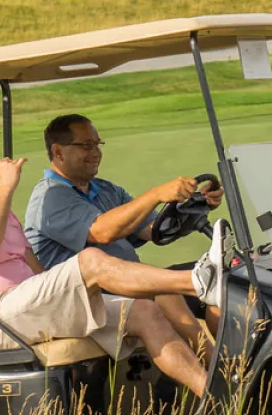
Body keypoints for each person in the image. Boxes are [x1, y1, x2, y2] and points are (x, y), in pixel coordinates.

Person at [0, 117, 223, 397]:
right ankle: (197, 281)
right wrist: (7, 187)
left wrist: (194, 207)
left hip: (26, 309)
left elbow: (32, 266)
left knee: (146, 310)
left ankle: (218, 395)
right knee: (91, 259)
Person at [25, 114, 223, 351]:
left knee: (222, 294)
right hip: (82, 298)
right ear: (58, 152)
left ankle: (238, 368)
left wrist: (196, 206)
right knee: (165, 292)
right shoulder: (50, 197)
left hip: (125, 285)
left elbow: (154, 230)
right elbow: (101, 232)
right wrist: (156, 195)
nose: (96, 152)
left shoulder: (106, 189)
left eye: (98, 144)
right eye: (86, 145)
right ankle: (217, 369)